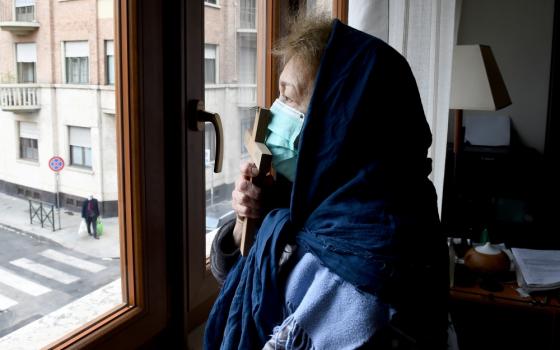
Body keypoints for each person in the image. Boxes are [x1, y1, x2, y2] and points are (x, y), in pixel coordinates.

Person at [206, 15, 449, 350]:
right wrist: (247, 222)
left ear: (341, 120)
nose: (273, 112)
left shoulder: (361, 276)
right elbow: (236, 272)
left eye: (288, 98)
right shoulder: (330, 198)